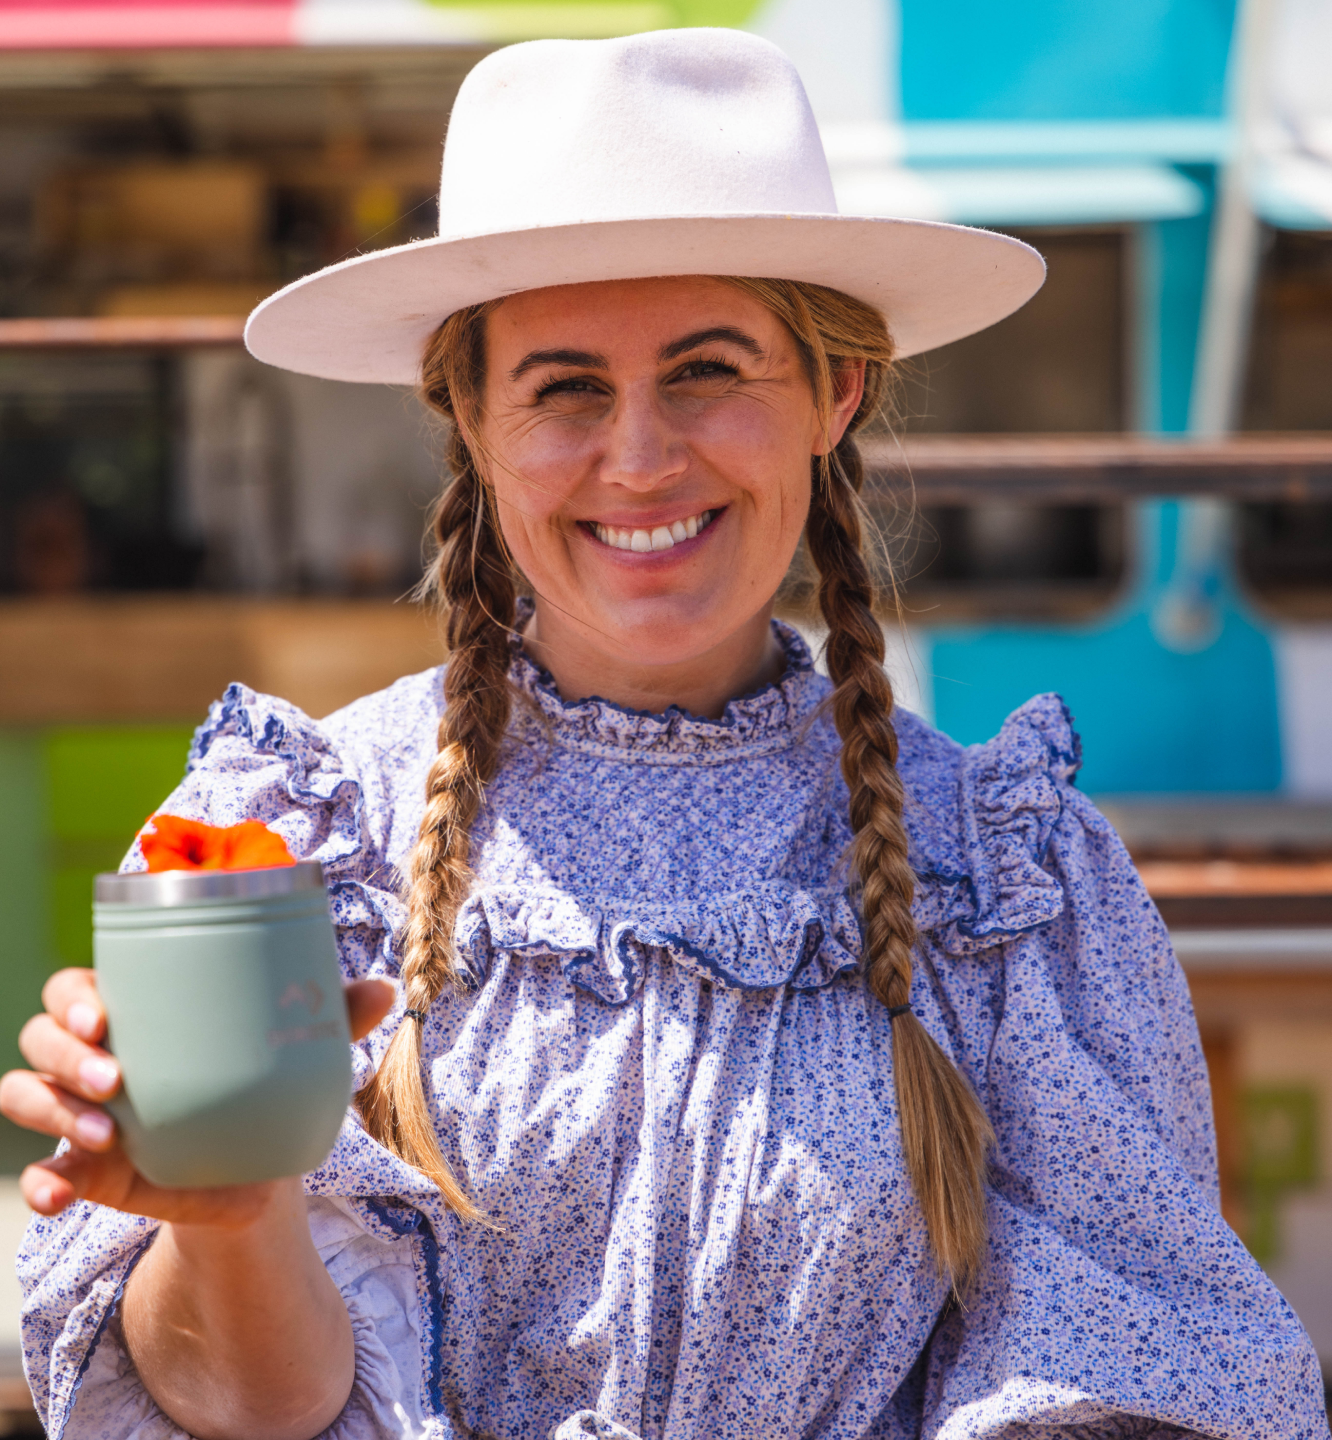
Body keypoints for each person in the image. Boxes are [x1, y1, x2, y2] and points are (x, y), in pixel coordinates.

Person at [5, 27, 1323, 1440]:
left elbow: (1136, 1388)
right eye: (565, 386)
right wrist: (231, 1218)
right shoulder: (293, 843)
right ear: (469, 418)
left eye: (708, 370)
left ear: (837, 392)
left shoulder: (1008, 880)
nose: (640, 457)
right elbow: (239, 1407)